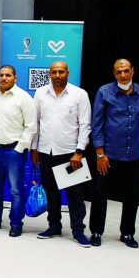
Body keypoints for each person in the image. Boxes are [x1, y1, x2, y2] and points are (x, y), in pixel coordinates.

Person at [90, 59, 139, 248]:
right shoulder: (105, 92)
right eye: (119, 72)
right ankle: (96, 231)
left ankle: (127, 233)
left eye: (126, 71)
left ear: (133, 71)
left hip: (133, 154)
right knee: (101, 193)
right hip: (109, 154)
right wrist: (100, 154)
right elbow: (97, 124)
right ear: (114, 73)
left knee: (132, 195)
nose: (123, 75)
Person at [32, 60, 93, 247]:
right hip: (45, 151)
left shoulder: (79, 95)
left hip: (70, 153)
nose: (57, 75)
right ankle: (54, 226)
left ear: (68, 73)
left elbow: (85, 125)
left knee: (75, 194)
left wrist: (79, 152)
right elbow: (36, 123)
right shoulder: (41, 93)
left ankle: (78, 230)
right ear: (49, 74)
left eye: (61, 72)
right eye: (54, 72)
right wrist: (34, 148)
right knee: (51, 192)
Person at [0, 65, 37, 237]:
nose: (4, 78)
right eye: (1, 75)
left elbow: (31, 126)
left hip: (14, 151)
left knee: (16, 190)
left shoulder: (24, 98)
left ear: (15, 78)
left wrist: (20, 148)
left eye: (8, 75)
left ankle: (16, 223)